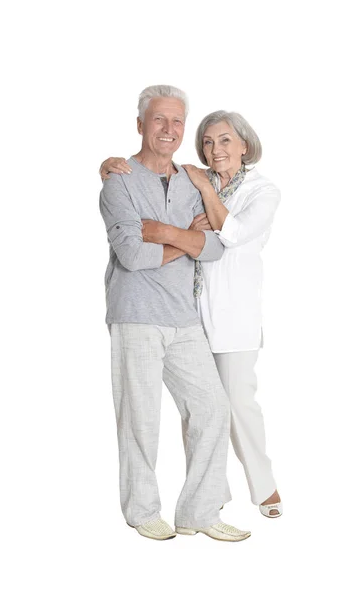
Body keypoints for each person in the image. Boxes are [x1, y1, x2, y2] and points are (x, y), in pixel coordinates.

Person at [100, 109, 283, 518]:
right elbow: (144, 178)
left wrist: (168, 230)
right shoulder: (190, 179)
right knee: (198, 411)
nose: (214, 149)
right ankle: (210, 494)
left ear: (245, 146)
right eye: (207, 142)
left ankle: (263, 485)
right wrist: (106, 167)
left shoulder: (260, 191)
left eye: (225, 141)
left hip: (233, 317)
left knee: (235, 404)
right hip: (187, 312)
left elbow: (228, 236)